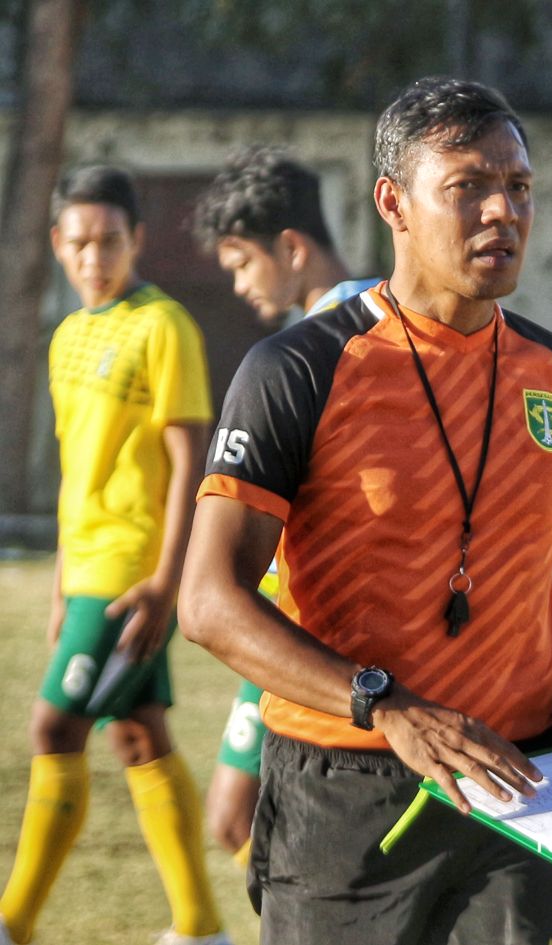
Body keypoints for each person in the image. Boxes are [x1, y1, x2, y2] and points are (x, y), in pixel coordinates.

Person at [178, 77, 552, 945]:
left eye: (519, 187)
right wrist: (386, 704)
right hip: (344, 793)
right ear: (394, 202)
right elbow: (209, 603)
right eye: (468, 187)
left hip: (521, 784)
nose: (502, 211)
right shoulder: (299, 371)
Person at [0, 167, 230, 945]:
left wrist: (168, 580)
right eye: (78, 241)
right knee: (139, 735)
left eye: (108, 240)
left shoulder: (163, 326)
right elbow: (78, 469)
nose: (93, 256)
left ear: (134, 240)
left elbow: (187, 453)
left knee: (53, 728)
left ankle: (13, 921)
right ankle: (199, 925)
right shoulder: (68, 333)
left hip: (133, 573)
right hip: (88, 568)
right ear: (60, 247)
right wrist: (64, 580)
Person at [190, 146, 381, 864]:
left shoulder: (338, 343)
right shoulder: (340, 329)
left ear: (292, 248)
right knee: (239, 820)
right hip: (288, 624)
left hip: (321, 631)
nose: (239, 284)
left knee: (249, 822)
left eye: (243, 262)